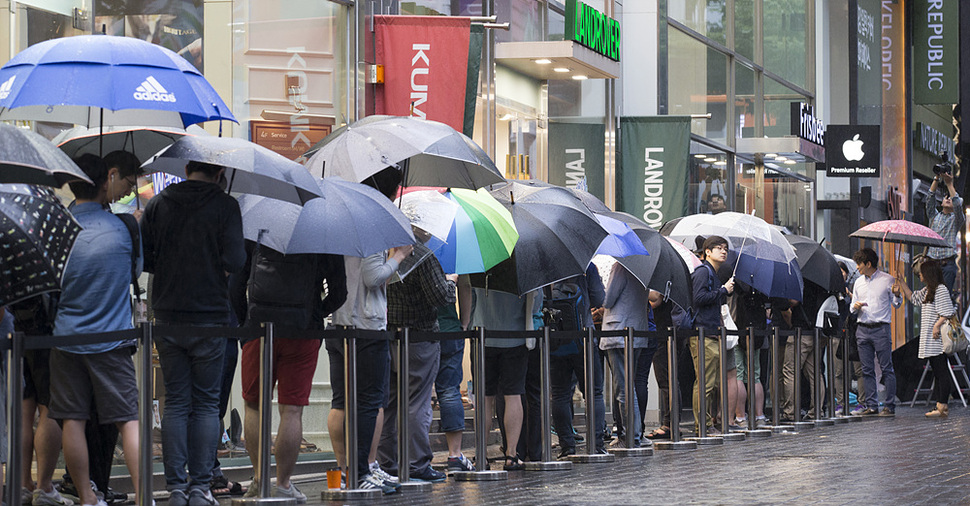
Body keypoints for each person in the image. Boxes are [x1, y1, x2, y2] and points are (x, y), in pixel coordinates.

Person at [140, 160, 246, 506]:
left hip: (168, 314)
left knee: (175, 402)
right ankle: (201, 488)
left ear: (186, 168)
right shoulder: (226, 205)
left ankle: (175, 489)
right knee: (205, 405)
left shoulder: (158, 203)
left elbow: (146, 258)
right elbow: (236, 259)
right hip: (210, 317)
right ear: (220, 173)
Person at [47, 154, 143, 506]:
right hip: (112, 338)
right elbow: (136, 270)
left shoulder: (58, 227)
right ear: (106, 181)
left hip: (67, 337)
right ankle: (143, 495)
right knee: (127, 421)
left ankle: (87, 496)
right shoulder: (124, 228)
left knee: (72, 419)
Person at [237, 242, 347, 503]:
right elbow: (339, 291)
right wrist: (314, 314)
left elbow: (236, 284)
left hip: (258, 326)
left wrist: (246, 324)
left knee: (253, 405)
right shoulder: (321, 232)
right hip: (303, 330)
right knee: (292, 409)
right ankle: (284, 484)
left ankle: (258, 480)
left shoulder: (259, 227)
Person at [327, 246, 411, 494]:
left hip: (338, 322)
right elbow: (372, 277)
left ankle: (345, 470)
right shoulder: (371, 237)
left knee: (340, 402)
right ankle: (362, 470)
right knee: (369, 402)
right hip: (366, 326)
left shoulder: (341, 232)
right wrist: (399, 257)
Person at [378, 228, 455, 484]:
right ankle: (417, 463)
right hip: (420, 339)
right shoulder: (423, 255)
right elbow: (440, 297)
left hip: (388, 335)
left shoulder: (384, 253)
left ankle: (387, 462)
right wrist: (451, 282)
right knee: (417, 402)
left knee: (389, 403)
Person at [469, 286, 543, 470]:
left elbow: (470, 298)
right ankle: (511, 454)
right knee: (513, 394)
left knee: (484, 398)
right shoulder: (523, 265)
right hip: (515, 335)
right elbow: (535, 302)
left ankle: (481, 456)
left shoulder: (479, 262)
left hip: (482, 334)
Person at [548, 266, 607, 458]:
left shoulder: (544, 266)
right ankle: (596, 445)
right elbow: (599, 299)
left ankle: (567, 446)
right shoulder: (584, 265)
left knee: (559, 394)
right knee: (594, 392)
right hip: (584, 336)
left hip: (556, 338)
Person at [895, 259, 955, 418]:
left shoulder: (940, 289)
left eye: (921, 272)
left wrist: (936, 326)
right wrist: (901, 282)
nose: (919, 274)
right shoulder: (929, 289)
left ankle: (942, 406)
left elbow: (948, 312)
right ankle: (940, 406)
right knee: (938, 371)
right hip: (931, 338)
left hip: (937, 338)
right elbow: (913, 298)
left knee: (941, 371)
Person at [600, 262, 651, 447]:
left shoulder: (620, 266)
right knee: (630, 386)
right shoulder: (644, 268)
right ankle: (635, 434)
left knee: (623, 388)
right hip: (636, 331)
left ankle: (632, 436)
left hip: (618, 331)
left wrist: (602, 287)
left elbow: (608, 299)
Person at [690, 236, 735, 434]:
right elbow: (698, 298)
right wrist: (722, 290)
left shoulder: (712, 273)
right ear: (707, 251)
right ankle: (704, 426)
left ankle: (707, 423)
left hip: (710, 332)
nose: (723, 251)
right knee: (705, 383)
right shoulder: (703, 271)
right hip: (702, 333)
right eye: (718, 248)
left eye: (725, 248)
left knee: (712, 382)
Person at [848, 248, 900, 417]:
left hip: (881, 329)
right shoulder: (858, 283)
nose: (857, 268)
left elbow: (896, 304)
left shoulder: (887, 280)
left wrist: (897, 295)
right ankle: (871, 405)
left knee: (887, 368)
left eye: (859, 264)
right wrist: (855, 307)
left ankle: (889, 405)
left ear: (868, 264)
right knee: (866, 369)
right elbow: (852, 306)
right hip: (862, 329)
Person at [435, 274, 475, 472]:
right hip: (450, 329)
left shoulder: (408, 248)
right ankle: (454, 455)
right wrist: (464, 323)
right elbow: (465, 287)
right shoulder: (454, 247)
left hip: (417, 331)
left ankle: (415, 457)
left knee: (417, 395)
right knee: (450, 391)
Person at [925, 171, 964, 296]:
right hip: (932, 264)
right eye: (945, 197)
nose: (948, 199)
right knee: (931, 298)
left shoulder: (956, 220)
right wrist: (937, 178)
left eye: (950, 198)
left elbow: (957, 205)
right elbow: (929, 198)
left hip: (947, 265)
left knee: (944, 298)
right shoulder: (934, 216)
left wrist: (949, 184)